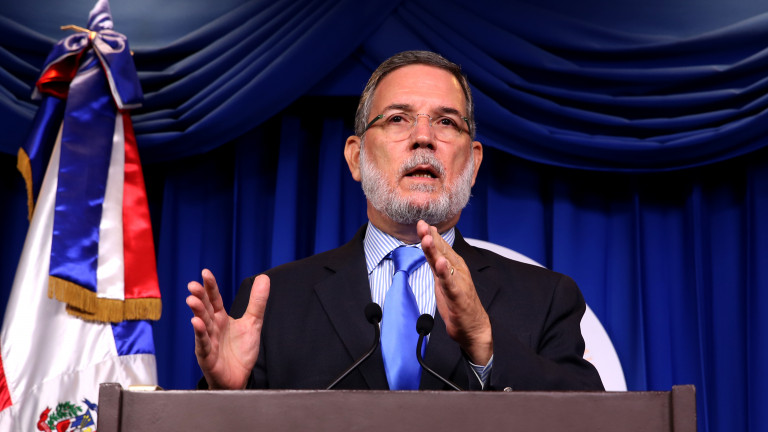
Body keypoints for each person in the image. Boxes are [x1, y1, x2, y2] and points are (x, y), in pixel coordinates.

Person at [186, 50, 604, 391]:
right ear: (356, 157)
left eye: (446, 122)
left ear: (473, 163)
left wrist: (485, 343)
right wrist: (226, 396)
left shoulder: (546, 299)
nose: (424, 137)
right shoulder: (275, 302)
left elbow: (586, 419)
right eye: (398, 118)